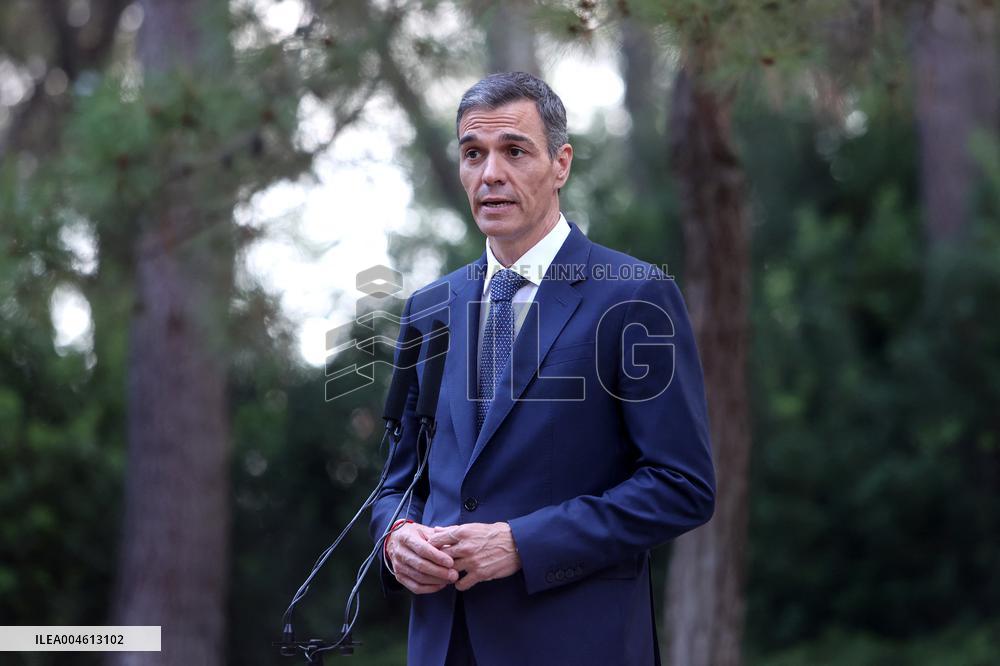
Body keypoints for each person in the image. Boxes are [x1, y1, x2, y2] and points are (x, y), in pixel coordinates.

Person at [370, 71, 715, 666]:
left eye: (514, 151)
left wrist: (522, 544)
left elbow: (682, 486)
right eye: (473, 154)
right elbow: (399, 482)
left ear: (561, 164)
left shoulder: (634, 297)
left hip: (577, 642)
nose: (490, 174)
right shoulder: (429, 309)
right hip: (443, 645)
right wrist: (397, 539)